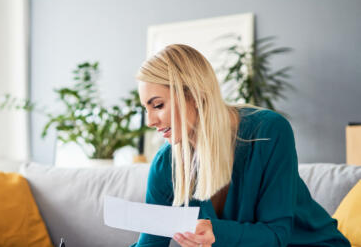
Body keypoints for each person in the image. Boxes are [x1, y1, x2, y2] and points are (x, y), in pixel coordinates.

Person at [130, 44, 350, 247]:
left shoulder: (268, 131)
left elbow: (276, 234)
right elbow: (151, 243)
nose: (150, 121)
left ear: (194, 94)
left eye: (157, 105)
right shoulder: (166, 164)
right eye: (145, 109)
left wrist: (216, 232)